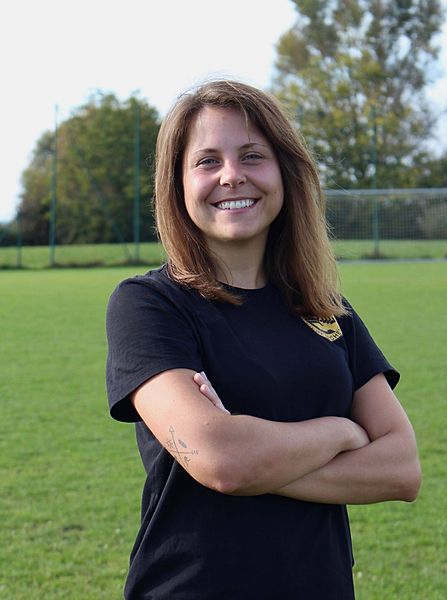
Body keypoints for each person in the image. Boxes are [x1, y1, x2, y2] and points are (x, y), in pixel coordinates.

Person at [106, 80, 421, 599]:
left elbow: (402, 469)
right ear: (177, 184)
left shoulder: (327, 310)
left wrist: (251, 455)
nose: (232, 175)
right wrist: (342, 431)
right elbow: (223, 463)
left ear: (285, 173)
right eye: (207, 161)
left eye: (252, 156)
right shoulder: (149, 305)